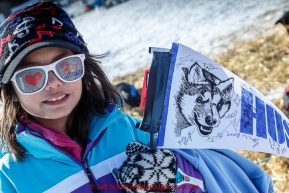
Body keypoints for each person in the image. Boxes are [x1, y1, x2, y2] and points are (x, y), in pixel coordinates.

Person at [0, 2, 274, 193]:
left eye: (66, 66)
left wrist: (176, 181)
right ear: (11, 90)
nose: (55, 82)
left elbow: (210, 181)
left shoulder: (131, 132)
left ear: (84, 67)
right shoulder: (9, 176)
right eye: (32, 76)